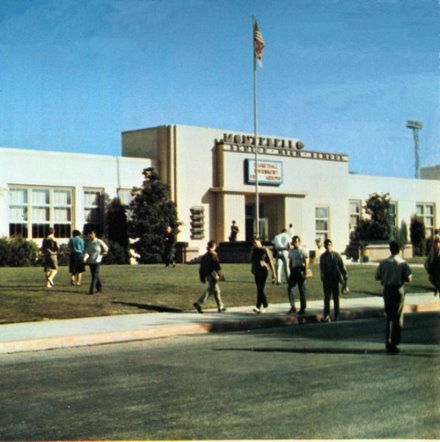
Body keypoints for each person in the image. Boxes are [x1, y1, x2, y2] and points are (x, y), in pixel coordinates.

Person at [375, 241, 412, 354]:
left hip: (387, 289)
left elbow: (377, 276)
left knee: (389, 316)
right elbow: (409, 278)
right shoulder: (403, 263)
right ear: (399, 250)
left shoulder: (384, 263)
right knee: (398, 317)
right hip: (398, 289)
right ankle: (394, 342)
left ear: (390, 249)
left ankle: (388, 340)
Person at [319, 239, 348, 322]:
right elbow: (321, 268)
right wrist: (322, 276)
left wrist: (345, 278)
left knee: (336, 298)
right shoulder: (323, 257)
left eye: (330, 244)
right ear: (324, 246)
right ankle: (326, 315)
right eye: (327, 245)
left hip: (335, 279)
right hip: (327, 280)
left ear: (332, 245)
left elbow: (342, 267)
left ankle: (336, 315)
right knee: (327, 298)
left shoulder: (336, 255)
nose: (328, 246)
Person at [194, 240, 226, 313]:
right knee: (210, 290)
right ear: (214, 246)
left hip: (207, 275)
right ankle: (198, 303)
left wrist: (202, 277)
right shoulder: (213, 255)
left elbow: (201, 268)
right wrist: (221, 275)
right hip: (213, 275)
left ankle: (220, 306)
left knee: (216, 291)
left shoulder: (204, 256)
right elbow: (217, 266)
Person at [251, 238, 276, 313]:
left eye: (256, 242)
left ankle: (258, 306)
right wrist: (252, 269)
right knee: (259, 288)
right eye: (253, 243)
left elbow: (270, 261)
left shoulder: (265, 250)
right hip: (256, 271)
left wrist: (273, 273)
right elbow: (253, 261)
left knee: (260, 288)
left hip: (263, 271)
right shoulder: (254, 251)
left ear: (260, 242)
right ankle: (265, 305)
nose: (254, 244)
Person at [287, 235, 309, 314]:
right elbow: (290, 261)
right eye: (294, 242)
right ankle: (293, 306)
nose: (295, 243)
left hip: (301, 270)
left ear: (299, 242)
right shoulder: (291, 251)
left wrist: (305, 271)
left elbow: (306, 261)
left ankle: (303, 308)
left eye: (296, 242)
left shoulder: (303, 250)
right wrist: (290, 271)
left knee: (302, 290)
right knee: (290, 288)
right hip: (294, 270)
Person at [83, 230, 109, 295]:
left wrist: (102, 254)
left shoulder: (99, 241)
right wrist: (85, 258)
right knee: (95, 275)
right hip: (91, 261)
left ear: (95, 234)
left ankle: (92, 289)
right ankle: (99, 288)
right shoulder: (89, 243)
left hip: (97, 260)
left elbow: (106, 248)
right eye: (89, 234)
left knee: (95, 275)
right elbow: (87, 252)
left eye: (91, 234)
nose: (90, 235)